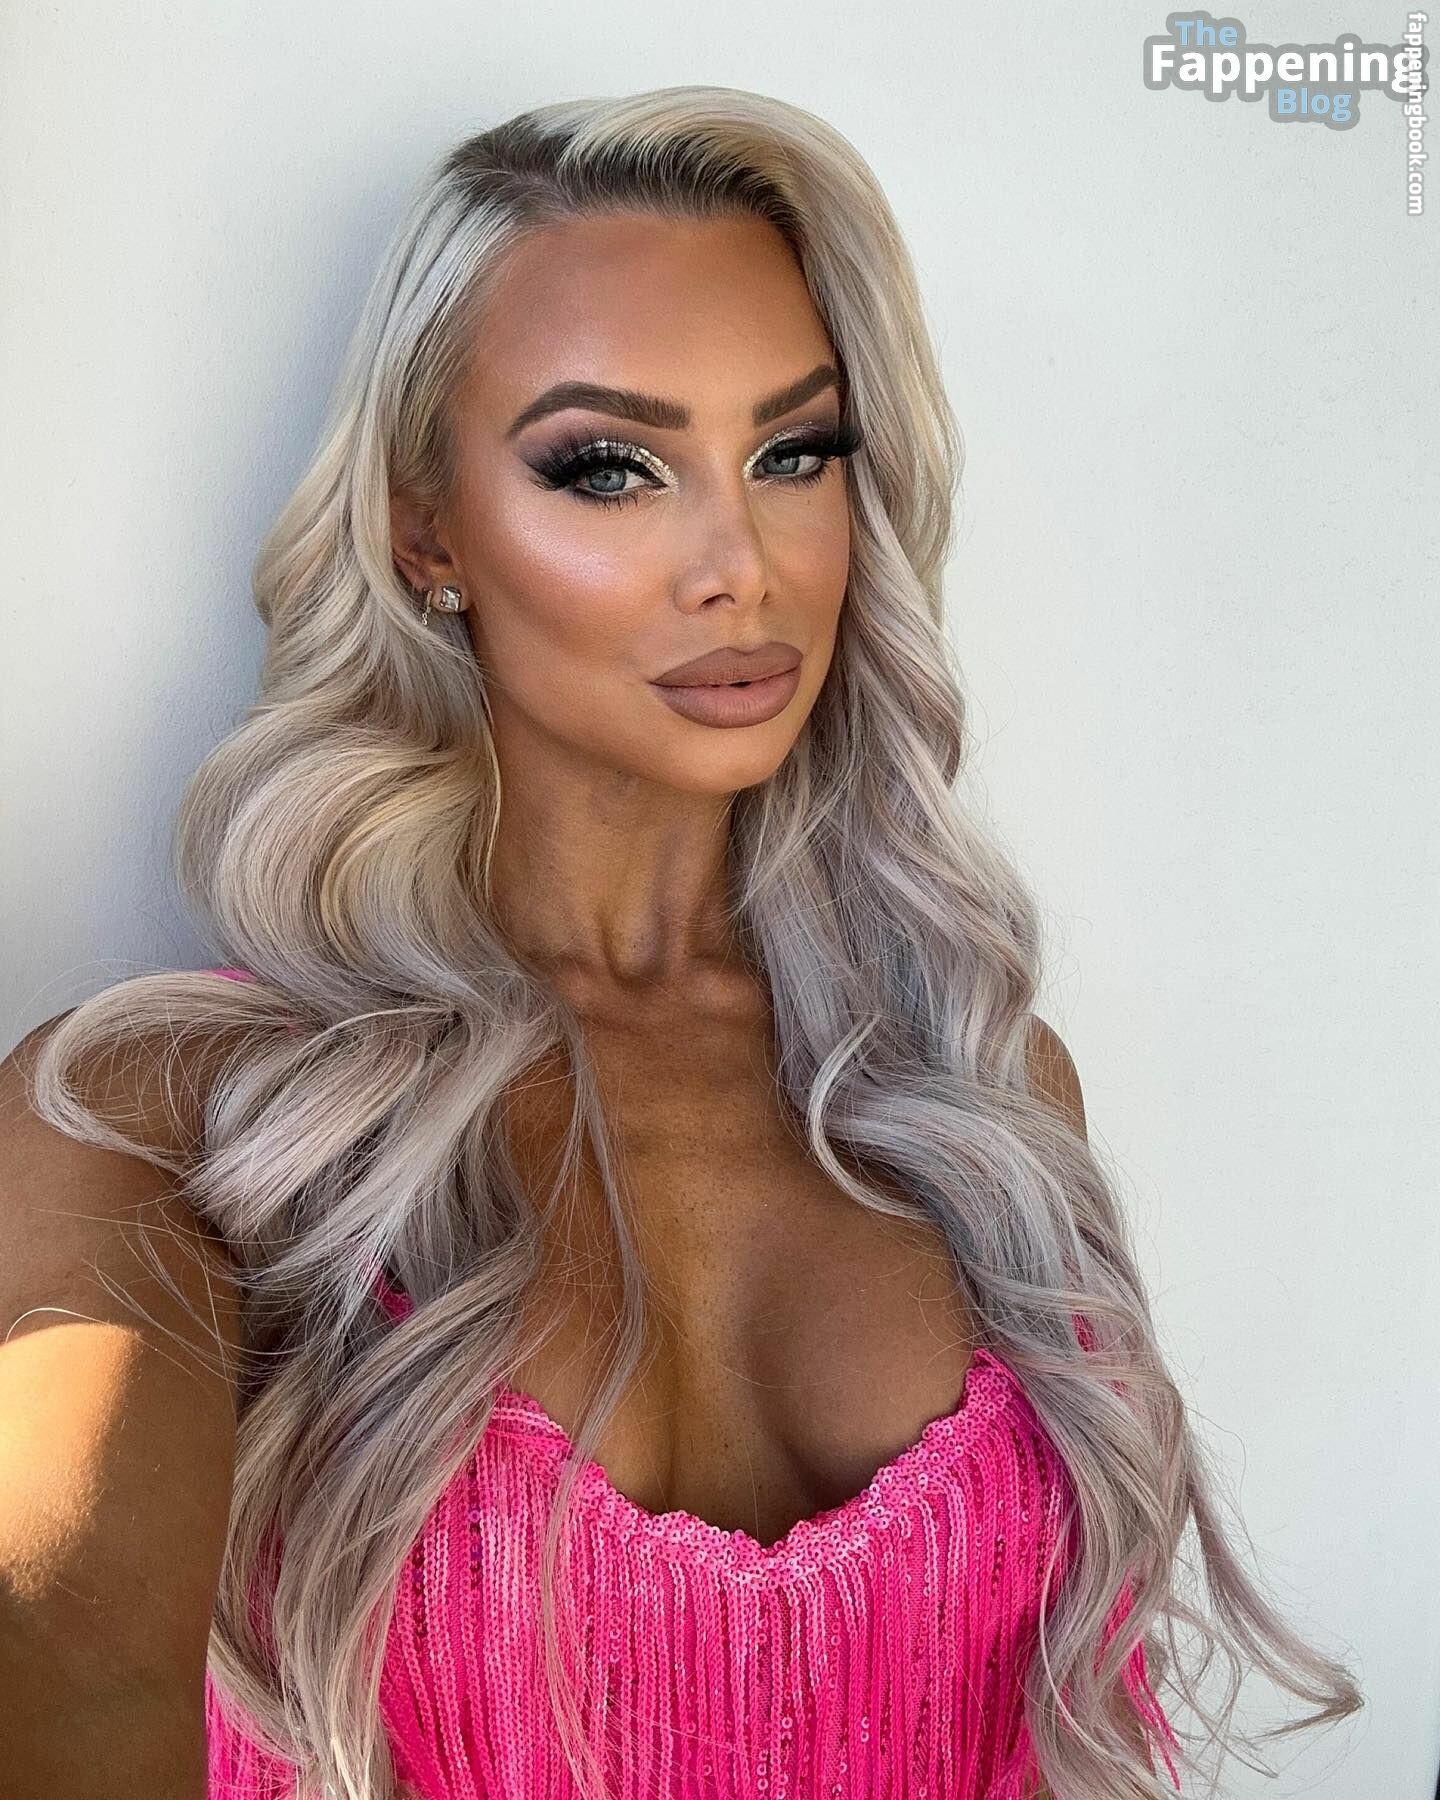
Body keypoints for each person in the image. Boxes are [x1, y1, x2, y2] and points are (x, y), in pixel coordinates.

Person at [1, 85, 1361, 1800]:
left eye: (795, 454)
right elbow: (62, 1647)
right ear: (427, 531)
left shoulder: (979, 1089)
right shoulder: (167, 1116)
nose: (743, 565)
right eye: (609, 468)